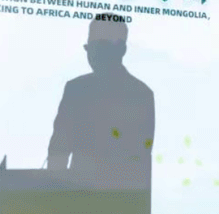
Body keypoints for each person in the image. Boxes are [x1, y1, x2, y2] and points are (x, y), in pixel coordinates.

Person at [47, 13, 155, 181]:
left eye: (101, 47)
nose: (93, 54)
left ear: (121, 50)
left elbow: (139, 156)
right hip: (77, 193)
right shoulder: (75, 89)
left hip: (120, 193)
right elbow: (58, 150)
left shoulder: (141, 95)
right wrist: (53, 186)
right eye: (90, 47)